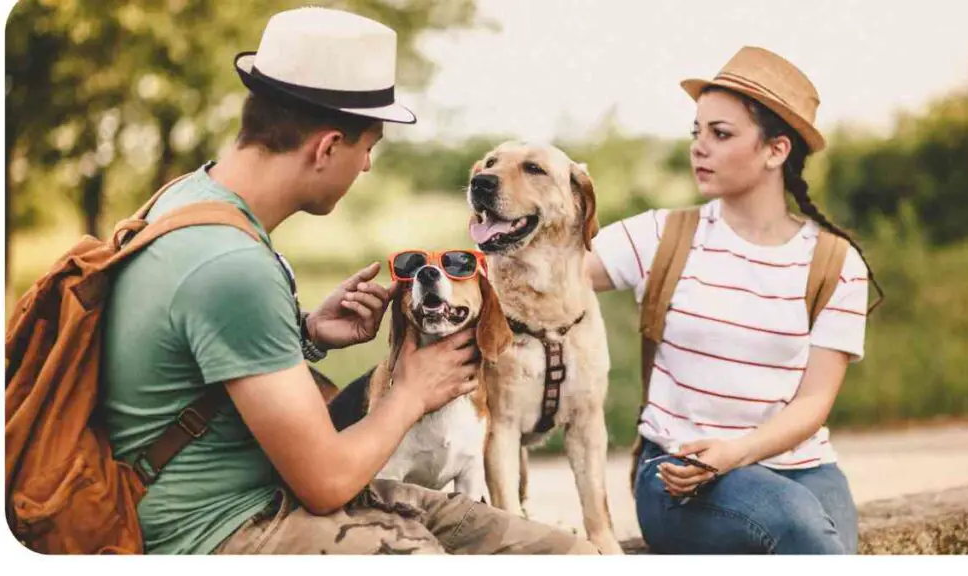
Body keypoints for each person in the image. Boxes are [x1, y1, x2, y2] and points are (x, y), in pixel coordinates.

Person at [101, 7, 596, 555]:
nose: (364, 168)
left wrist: (308, 333)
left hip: (263, 491)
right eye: (368, 149)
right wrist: (411, 391)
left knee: (566, 554)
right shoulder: (231, 267)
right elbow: (327, 482)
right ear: (328, 146)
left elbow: (210, 358)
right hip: (218, 527)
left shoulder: (191, 200)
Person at [586, 46, 882, 554]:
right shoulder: (662, 235)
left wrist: (737, 452)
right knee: (800, 528)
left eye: (720, 134)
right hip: (679, 475)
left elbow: (813, 401)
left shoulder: (834, 264)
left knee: (810, 529)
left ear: (776, 150)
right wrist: (499, 217)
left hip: (803, 471)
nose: (699, 147)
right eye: (696, 132)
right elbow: (551, 278)